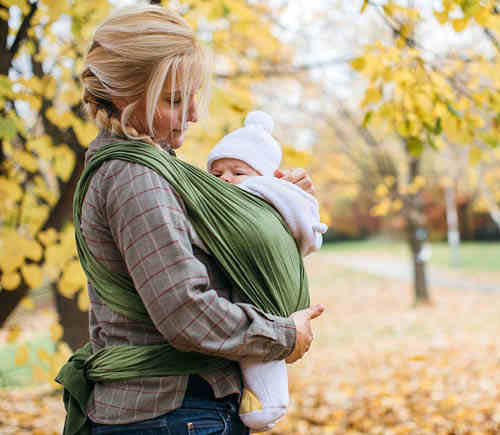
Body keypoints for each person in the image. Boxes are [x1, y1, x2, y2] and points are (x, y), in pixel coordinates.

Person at [60, 5, 324, 435]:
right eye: (174, 99)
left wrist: (276, 204)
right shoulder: (135, 178)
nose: (195, 114)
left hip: (173, 412)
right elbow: (186, 311)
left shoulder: (152, 169)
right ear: (126, 95)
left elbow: (221, 252)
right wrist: (282, 336)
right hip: (168, 413)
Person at [206, 110, 328, 431]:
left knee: (262, 357)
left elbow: (300, 230)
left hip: (263, 290)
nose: (226, 180)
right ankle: (263, 403)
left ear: (264, 176)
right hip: (247, 298)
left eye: (237, 171)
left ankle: (268, 403)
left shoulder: (264, 196)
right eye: (216, 173)